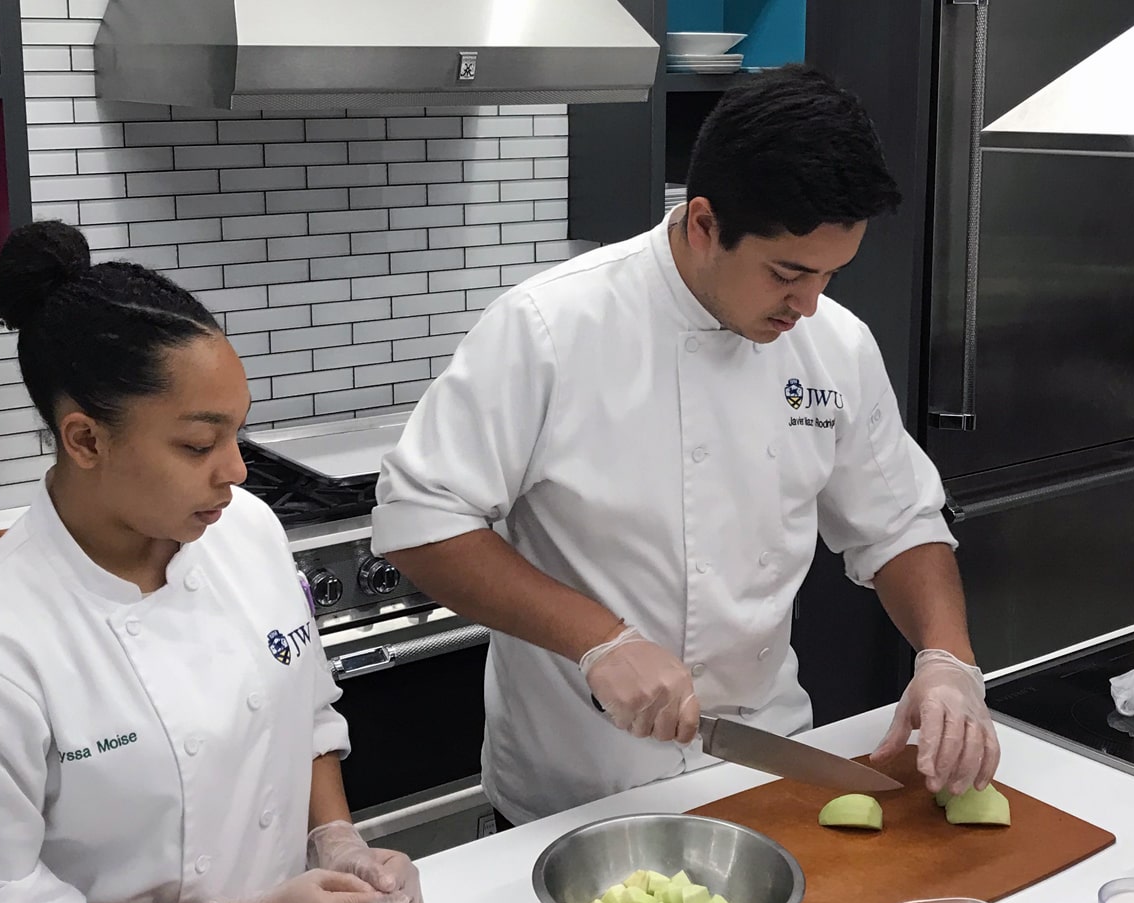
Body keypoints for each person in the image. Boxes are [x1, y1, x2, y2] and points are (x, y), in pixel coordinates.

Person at [371, 65, 997, 825]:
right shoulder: (551, 327)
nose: (808, 304)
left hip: (763, 772)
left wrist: (946, 658)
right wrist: (600, 641)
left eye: (831, 276)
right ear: (704, 224)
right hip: (577, 790)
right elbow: (419, 522)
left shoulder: (835, 344)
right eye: (788, 274)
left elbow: (899, 523)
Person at [0, 221, 425, 903]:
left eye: (238, 433)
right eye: (200, 444)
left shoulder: (246, 534)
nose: (236, 472)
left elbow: (302, 717)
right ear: (86, 439)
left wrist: (338, 843)